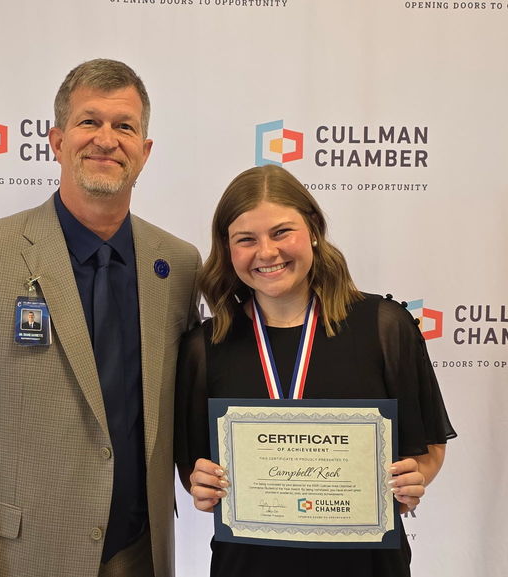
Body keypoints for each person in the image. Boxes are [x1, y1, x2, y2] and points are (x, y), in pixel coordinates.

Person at [0, 59, 201, 577]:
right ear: (57, 140)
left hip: (141, 556)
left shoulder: (176, 265)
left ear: (145, 152)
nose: (106, 140)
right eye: (89, 122)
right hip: (22, 559)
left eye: (124, 127)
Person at [175, 165, 456, 577]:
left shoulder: (385, 326)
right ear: (227, 249)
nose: (266, 252)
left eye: (281, 232)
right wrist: (200, 485)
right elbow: (193, 469)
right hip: (249, 566)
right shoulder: (206, 346)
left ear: (312, 229)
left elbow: (427, 450)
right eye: (246, 239)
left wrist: (415, 478)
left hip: (366, 565)